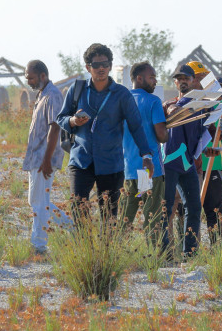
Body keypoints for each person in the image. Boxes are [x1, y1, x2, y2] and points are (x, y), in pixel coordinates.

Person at [55, 43, 153, 221]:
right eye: (96, 65)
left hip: (111, 163)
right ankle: (85, 240)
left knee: (109, 216)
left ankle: (107, 240)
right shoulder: (77, 90)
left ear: (110, 66)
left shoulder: (122, 94)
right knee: (78, 210)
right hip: (81, 160)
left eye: (105, 64)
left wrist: (147, 155)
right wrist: (73, 121)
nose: (101, 68)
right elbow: (61, 118)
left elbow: (136, 126)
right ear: (88, 67)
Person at [163, 63, 212, 257]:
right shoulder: (170, 104)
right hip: (169, 163)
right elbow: (168, 110)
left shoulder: (200, 106)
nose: (183, 81)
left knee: (194, 208)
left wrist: (209, 147)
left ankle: (190, 253)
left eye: (186, 78)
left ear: (193, 81)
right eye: (179, 79)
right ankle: (164, 253)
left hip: (188, 164)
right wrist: (171, 107)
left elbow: (201, 134)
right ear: (175, 83)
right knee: (166, 208)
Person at [25, 59, 72, 254]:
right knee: (35, 201)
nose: (28, 81)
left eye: (31, 78)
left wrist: (46, 160)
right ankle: (73, 228)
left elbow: (55, 128)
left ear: (42, 76)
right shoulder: (42, 95)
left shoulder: (53, 95)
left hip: (44, 158)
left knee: (39, 202)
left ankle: (39, 245)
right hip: (36, 158)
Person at [119, 62, 168, 247]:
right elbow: (161, 135)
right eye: (152, 77)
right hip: (149, 170)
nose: (155, 81)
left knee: (125, 216)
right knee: (152, 215)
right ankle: (153, 255)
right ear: (139, 78)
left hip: (128, 170)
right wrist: (168, 128)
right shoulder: (153, 101)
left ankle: (117, 251)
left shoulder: (122, 101)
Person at [200, 77, 222, 243]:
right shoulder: (192, 106)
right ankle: (187, 249)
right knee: (185, 211)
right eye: (217, 90)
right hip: (190, 167)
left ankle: (217, 248)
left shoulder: (221, 110)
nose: (220, 95)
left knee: (214, 211)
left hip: (213, 167)